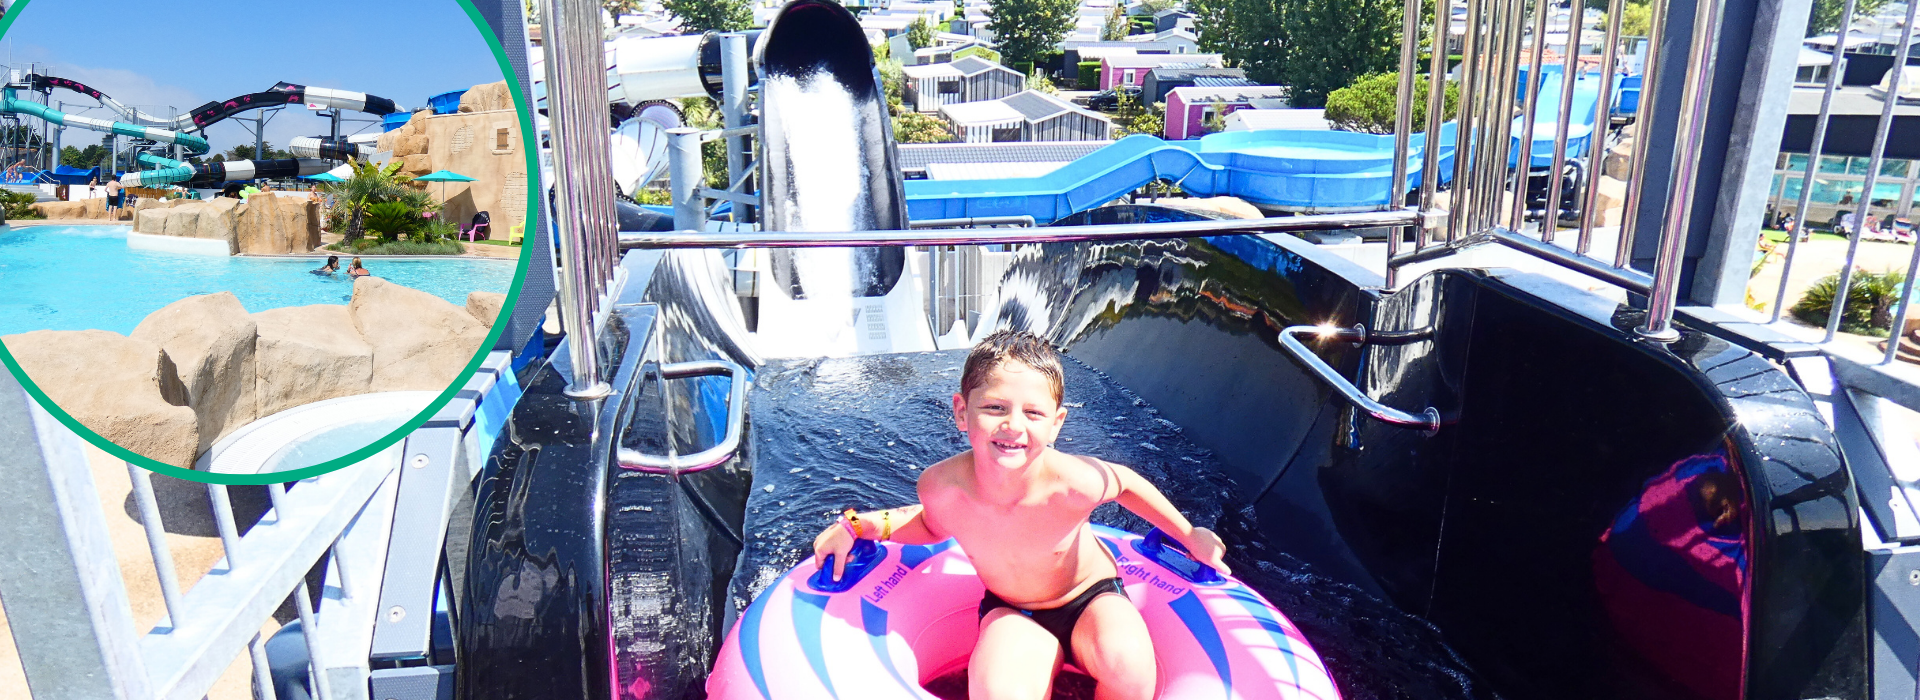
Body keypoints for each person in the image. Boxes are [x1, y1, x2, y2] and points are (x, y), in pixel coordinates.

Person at [811, 330, 1224, 700]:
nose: (1013, 425)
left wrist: (1189, 534)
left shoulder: (1072, 482)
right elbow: (928, 524)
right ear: (961, 411)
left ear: (1056, 424)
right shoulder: (942, 486)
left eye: (1033, 413)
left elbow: (1129, 483)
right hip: (1011, 608)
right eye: (994, 407)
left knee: (1130, 668)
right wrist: (858, 524)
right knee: (998, 692)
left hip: (1091, 598)